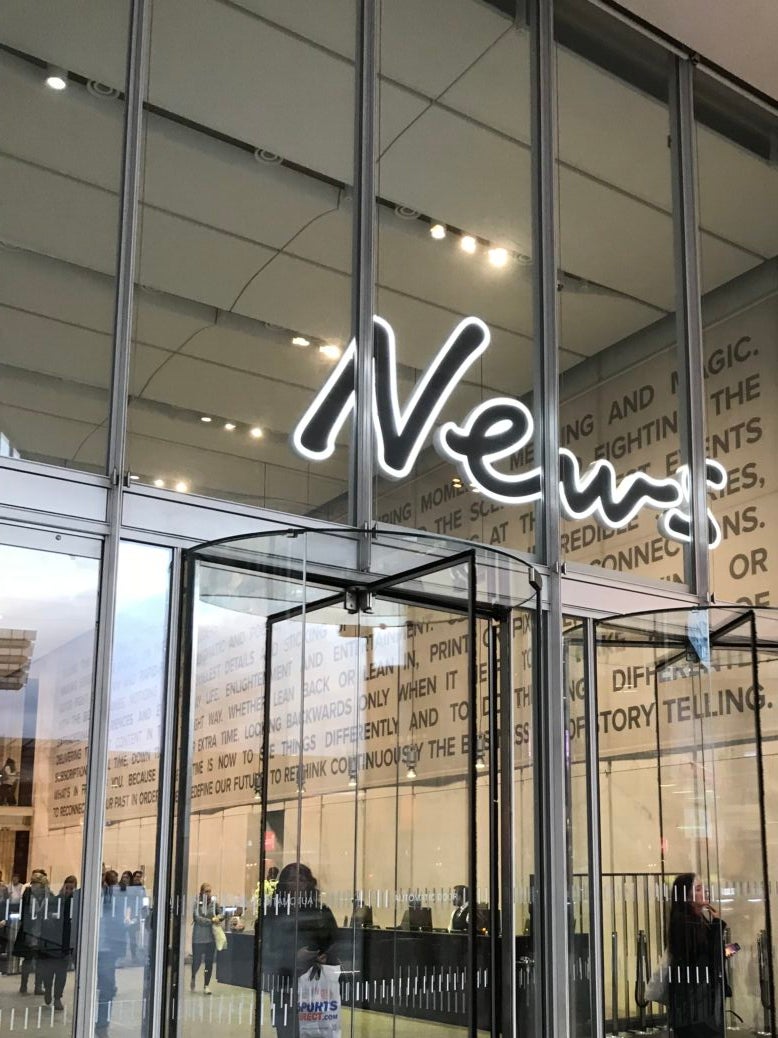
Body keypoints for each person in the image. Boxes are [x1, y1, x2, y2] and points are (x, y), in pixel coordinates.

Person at [261, 863, 338, 1038]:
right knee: (287, 1030)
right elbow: (266, 951)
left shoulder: (321, 912)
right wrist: (293, 959)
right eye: (292, 879)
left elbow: (336, 943)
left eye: (302, 879)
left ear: (310, 883)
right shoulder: (273, 912)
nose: (297, 884)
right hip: (285, 986)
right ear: (284, 884)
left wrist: (326, 956)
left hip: (316, 986)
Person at [667, 873, 728, 1038]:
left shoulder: (698, 919)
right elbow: (702, 955)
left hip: (700, 998)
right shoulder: (686, 922)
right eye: (699, 889)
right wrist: (717, 925)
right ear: (687, 896)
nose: (705, 892)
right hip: (693, 1002)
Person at [36, 875, 78, 1011]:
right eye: (67, 887)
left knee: (61, 973)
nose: (69, 891)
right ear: (64, 886)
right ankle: (48, 989)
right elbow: (44, 916)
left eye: (72, 888)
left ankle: (57, 997)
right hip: (52, 940)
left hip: (65, 944)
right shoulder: (55, 901)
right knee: (48, 972)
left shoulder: (75, 904)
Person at [96, 869, 128, 1038]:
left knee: (107, 988)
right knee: (91, 987)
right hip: (93, 948)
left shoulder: (115, 897)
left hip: (107, 950)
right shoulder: (88, 895)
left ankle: (102, 1024)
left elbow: (120, 922)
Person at [14, 869, 49, 995]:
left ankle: (37, 986)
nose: (36, 887)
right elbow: (25, 912)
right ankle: (24, 985)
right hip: (29, 929)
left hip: (41, 930)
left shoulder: (46, 894)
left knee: (39, 960)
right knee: (28, 958)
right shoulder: (28, 893)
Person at [191, 882, 222, 995]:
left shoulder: (214, 904)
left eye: (210, 891)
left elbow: (221, 914)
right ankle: (193, 976)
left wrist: (218, 917)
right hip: (198, 937)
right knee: (197, 961)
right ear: (201, 892)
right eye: (206, 891)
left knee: (209, 962)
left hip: (210, 937)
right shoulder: (196, 903)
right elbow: (196, 917)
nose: (208, 894)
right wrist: (211, 921)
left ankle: (206, 985)